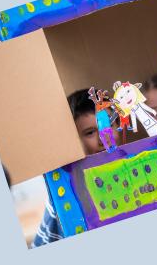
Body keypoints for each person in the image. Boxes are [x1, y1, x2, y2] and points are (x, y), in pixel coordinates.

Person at [31, 89, 108, 248]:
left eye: (108, 125)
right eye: (90, 132)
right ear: (73, 139)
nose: (103, 138)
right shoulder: (62, 192)